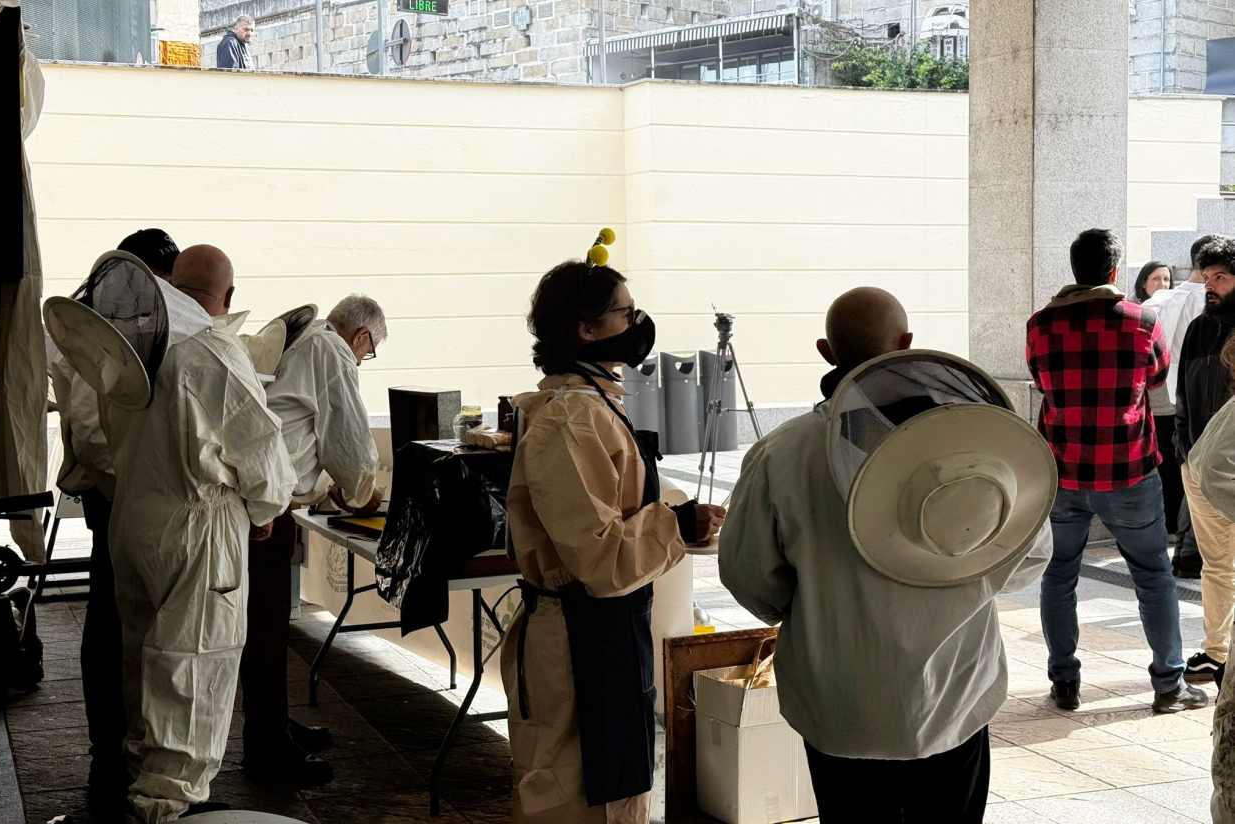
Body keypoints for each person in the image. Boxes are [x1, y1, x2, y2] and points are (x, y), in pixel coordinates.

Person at [719, 288, 1054, 823]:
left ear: (827, 351)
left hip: (840, 703)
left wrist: (815, 605)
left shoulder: (783, 453)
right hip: (954, 696)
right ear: (906, 345)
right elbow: (1028, 559)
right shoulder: (979, 444)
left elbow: (749, 576)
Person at [502, 258, 726, 823]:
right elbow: (598, 557)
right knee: (573, 792)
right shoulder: (567, 420)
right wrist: (677, 525)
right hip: (577, 636)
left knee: (617, 784)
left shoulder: (595, 405)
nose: (638, 323)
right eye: (626, 313)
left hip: (608, 628)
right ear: (586, 329)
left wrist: (675, 521)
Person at [110, 244, 296, 821]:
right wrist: (264, 513)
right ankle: (168, 806)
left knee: (144, 657)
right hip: (199, 527)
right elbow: (263, 455)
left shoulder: (135, 344)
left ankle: (141, 775)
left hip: (135, 516)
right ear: (229, 298)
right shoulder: (213, 349)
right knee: (194, 664)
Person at [1027, 228, 1205, 713]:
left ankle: (1064, 681)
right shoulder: (1141, 319)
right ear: (1112, 272)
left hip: (1062, 471)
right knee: (1152, 575)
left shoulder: (1040, 325)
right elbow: (1157, 377)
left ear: (1074, 268)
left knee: (1058, 574)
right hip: (1128, 469)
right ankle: (1168, 684)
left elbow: (1041, 381)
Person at [47, 230, 179, 819]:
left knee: (131, 622)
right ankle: (110, 757)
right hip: (112, 496)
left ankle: (129, 749)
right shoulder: (88, 335)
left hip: (129, 494)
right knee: (112, 624)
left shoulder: (111, 320)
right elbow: (95, 433)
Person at [241, 295, 386, 788]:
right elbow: (346, 437)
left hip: (267, 496)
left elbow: (305, 427)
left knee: (268, 627)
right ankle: (266, 750)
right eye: (370, 353)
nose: (364, 360)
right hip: (269, 504)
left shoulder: (309, 342)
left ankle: (275, 725)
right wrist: (362, 491)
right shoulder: (333, 351)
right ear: (362, 337)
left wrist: (334, 489)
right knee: (263, 630)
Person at [1177, 235, 1235, 686]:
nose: (1211, 285)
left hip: (1227, 465)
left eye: (1221, 277)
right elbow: (1184, 395)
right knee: (1217, 565)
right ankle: (1217, 651)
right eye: (1207, 276)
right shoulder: (1200, 328)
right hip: (1200, 464)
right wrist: (1186, 450)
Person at [1142, 238, 1215, 579]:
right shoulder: (1209, 304)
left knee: (1180, 471)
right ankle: (1188, 550)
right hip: (1205, 402)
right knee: (1196, 477)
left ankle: (1183, 545)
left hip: (1166, 399)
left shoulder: (1159, 301)